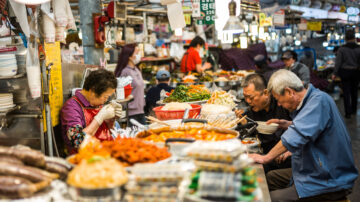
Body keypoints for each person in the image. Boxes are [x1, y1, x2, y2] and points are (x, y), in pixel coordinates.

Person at [250, 69, 358, 202]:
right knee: (271, 178)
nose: (278, 104)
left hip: (328, 179)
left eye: (279, 99)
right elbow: (312, 126)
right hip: (312, 168)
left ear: (290, 92)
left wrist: (266, 158)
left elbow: (296, 134)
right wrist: (286, 124)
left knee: (270, 198)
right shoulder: (310, 101)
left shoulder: (319, 101)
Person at [235, 73, 291, 172]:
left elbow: (302, 130)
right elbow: (251, 137)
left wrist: (290, 150)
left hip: (287, 158)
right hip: (264, 155)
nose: (248, 101)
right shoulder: (252, 110)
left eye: (251, 97)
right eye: (245, 97)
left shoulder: (282, 103)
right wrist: (244, 124)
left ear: (265, 93)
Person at [61, 69, 122, 154]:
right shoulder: (71, 108)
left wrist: (111, 120)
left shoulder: (96, 102)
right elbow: (78, 141)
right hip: (86, 158)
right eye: (105, 97)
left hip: (105, 152)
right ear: (93, 91)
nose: (106, 100)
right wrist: (99, 118)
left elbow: (106, 132)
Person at [115, 44, 146, 125]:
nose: (139, 55)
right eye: (137, 53)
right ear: (129, 56)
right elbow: (121, 92)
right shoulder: (125, 71)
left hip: (141, 110)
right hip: (132, 112)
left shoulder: (136, 69)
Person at [332, 29, 360, 119]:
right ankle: (354, 110)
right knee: (354, 92)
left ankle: (348, 113)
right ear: (354, 38)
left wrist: (334, 73)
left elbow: (338, 62)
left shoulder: (342, 49)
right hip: (356, 72)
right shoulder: (359, 48)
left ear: (345, 38)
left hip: (345, 72)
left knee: (346, 93)